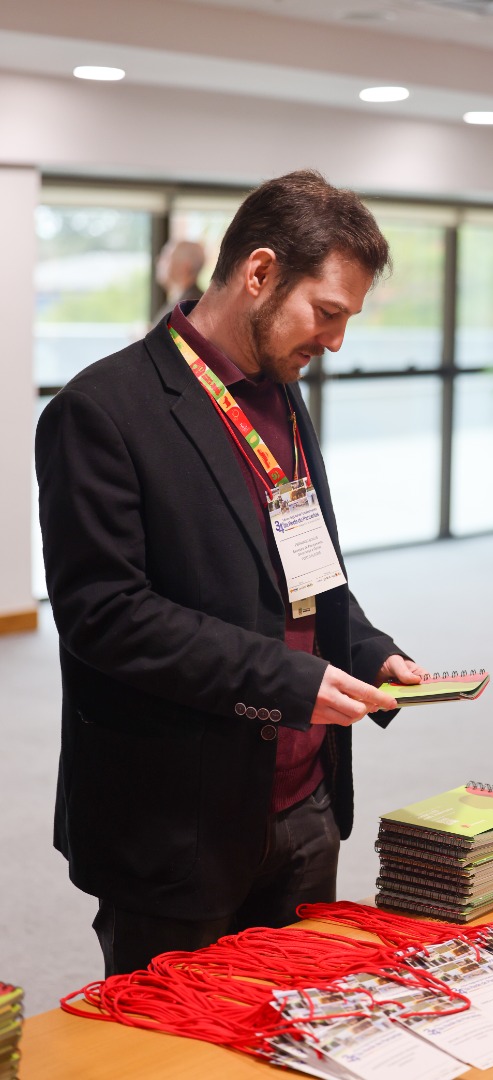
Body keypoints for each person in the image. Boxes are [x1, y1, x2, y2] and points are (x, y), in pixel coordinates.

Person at [36, 170, 425, 977]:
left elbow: (304, 565)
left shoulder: (282, 391)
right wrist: (285, 679)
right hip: (177, 824)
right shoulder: (101, 410)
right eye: (327, 313)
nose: (335, 342)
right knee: (173, 1038)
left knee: (300, 1027)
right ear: (259, 273)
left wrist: (368, 648)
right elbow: (106, 615)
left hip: (306, 804)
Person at [152, 238, 206, 323]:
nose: (158, 261)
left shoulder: (190, 308)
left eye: (167, 258)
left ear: (185, 268)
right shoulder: (180, 301)